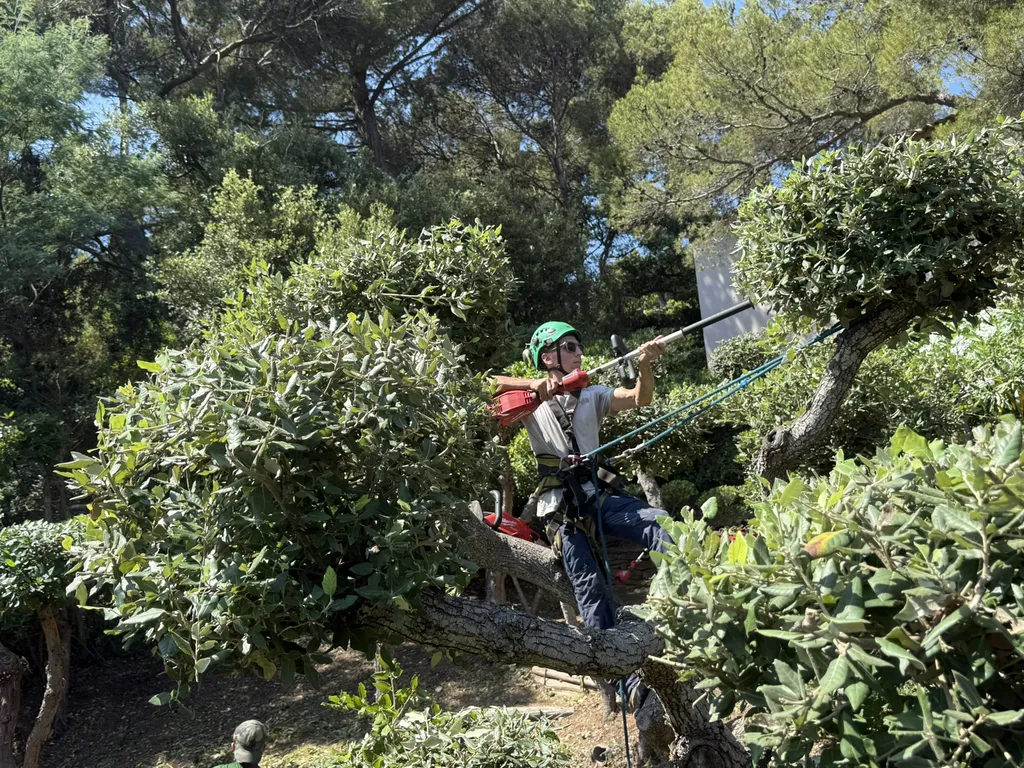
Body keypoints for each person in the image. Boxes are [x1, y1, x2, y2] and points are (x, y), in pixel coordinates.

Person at [493, 322, 670, 708]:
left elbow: (640, 399)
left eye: (578, 346)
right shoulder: (529, 402)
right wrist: (538, 386)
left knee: (659, 523)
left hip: (597, 493)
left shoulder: (592, 394)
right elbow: (486, 386)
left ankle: (686, 596)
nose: (579, 353)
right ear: (548, 357)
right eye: (570, 347)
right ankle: (624, 682)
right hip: (560, 508)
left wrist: (644, 365)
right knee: (589, 588)